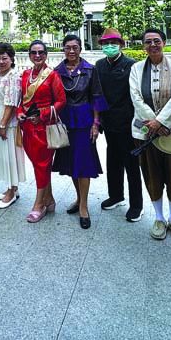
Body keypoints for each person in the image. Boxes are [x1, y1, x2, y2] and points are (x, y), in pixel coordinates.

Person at [129, 29, 171, 242]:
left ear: (164, 42)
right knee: (151, 173)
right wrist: (155, 124)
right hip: (146, 132)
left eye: (157, 41)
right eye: (148, 42)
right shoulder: (136, 69)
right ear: (143, 45)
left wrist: (163, 121)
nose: (153, 45)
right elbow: (136, 97)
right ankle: (158, 217)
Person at [52, 34, 107, 229]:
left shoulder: (90, 70)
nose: (72, 51)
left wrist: (96, 123)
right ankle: (78, 198)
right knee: (71, 163)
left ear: (80, 48)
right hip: (65, 121)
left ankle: (84, 206)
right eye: (68, 47)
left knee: (83, 164)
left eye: (75, 47)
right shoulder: (56, 72)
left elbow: (97, 97)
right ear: (63, 49)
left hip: (84, 120)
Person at [95, 28, 143, 222]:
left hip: (127, 122)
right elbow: (97, 94)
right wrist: (97, 121)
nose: (109, 47)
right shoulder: (99, 65)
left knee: (131, 164)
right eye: (106, 44)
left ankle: (136, 205)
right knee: (112, 160)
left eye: (113, 43)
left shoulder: (132, 65)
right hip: (108, 122)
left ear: (121, 45)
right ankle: (116, 195)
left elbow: (137, 96)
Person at [17, 40, 66, 223]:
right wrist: (20, 113)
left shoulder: (52, 76)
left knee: (43, 165)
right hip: (28, 128)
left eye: (41, 53)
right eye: (33, 53)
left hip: (44, 128)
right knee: (38, 165)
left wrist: (44, 114)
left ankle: (39, 204)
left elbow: (61, 101)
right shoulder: (25, 75)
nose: (37, 56)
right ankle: (50, 200)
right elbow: (20, 101)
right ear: (29, 55)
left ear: (46, 55)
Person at [0, 42, 25, 209]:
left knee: (10, 157)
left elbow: (11, 103)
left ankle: (11, 192)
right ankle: (11, 188)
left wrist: (3, 124)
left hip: (8, 124)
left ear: (11, 59)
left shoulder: (13, 77)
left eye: (4, 58)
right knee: (3, 157)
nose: (1, 61)